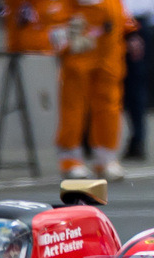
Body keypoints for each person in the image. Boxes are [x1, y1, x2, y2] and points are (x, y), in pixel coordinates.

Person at [51, 0, 141, 180]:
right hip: (80, 49)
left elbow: (118, 11)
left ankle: (106, 159)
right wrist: (64, 35)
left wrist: (131, 33)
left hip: (108, 50)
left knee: (109, 105)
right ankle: (70, 160)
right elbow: (55, 16)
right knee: (74, 106)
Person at [122, 0, 154, 160]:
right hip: (130, 19)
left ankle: (137, 139)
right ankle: (94, 139)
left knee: (135, 85)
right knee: (134, 85)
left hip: (131, 19)